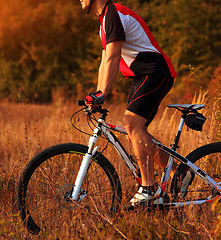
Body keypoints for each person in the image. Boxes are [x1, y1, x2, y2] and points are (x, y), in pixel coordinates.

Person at [80, 0, 177, 208]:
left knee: (132, 125)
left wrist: (102, 94)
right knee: (136, 130)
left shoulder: (113, 14)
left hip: (155, 72)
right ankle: (179, 173)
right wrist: (98, 94)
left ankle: (149, 189)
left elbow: (114, 57)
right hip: (143, 76)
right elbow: (104, 60)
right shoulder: (105, 20)